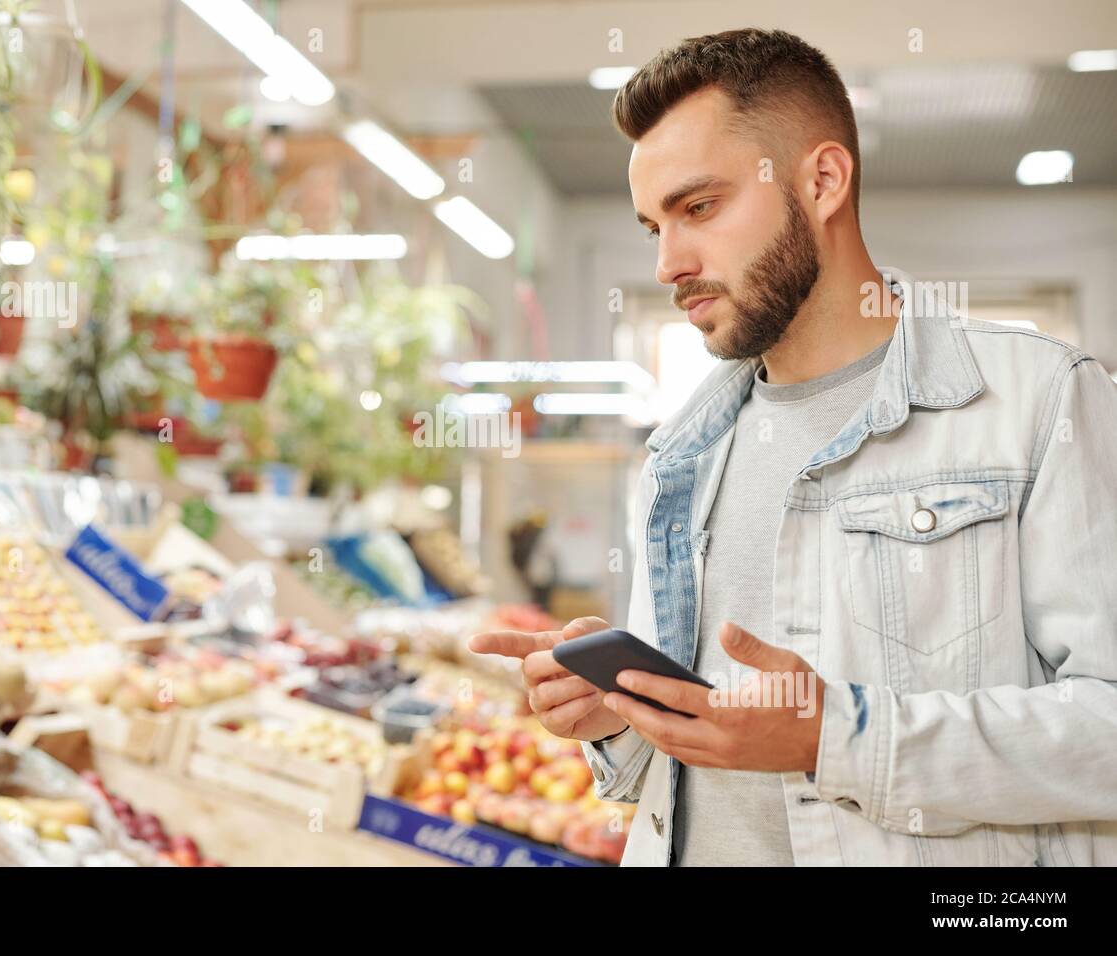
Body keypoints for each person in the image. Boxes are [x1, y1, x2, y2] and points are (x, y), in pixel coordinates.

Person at [470, 27, 1117, 866]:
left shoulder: (1038, 400)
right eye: (651, 226)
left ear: (821, 179)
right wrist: (623, 714)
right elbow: (712, 763)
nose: (669, 262)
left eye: (699, 207)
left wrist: (835, 736)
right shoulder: (681, 454)